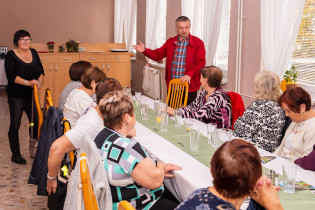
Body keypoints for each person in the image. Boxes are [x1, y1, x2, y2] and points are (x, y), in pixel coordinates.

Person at [96, 90, 182, 209]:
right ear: (127, 118)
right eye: (133, 113)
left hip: (110, 200)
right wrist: (160, 167)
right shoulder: (127, 147)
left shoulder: (101, 137)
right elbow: (155, 181)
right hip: (135, 204)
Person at [47, 78, 122, 194]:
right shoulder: (91, 123)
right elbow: (56, 148)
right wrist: (51, 178)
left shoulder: (102, 113)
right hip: (92, 177)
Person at [175, 139, 283, 210]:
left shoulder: (198, 194)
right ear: (255, 183)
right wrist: (275, 206)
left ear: (211, 170)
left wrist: (258, 204)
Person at [133, 16, 206, 105]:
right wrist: (145, 50)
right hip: (173, 86)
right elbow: (158, 55)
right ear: (176, 28)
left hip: (189, 87)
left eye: (186, 27)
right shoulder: (170, 42)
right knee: (171, 113)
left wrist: (189, 74)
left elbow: (200, 62)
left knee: (188, 115)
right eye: (181, 28)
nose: (184, 30)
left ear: (190, 26)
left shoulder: (198, 43)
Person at [5, 30, 44, 164]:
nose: (26, 42)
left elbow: (41, 72)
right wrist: (29, 82)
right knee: (15, 124)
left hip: (31, 94)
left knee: (36, 121)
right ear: (17, 41)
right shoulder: (11, 55)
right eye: (23, 39)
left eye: (28, 39)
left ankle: (35, 149)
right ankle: (15, 154)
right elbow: (11, 76)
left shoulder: (33, 52)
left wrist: (38, 80)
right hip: (16, 95)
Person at [233, 71, 285, 152]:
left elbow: (239, 132)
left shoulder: (259, 106)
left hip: (252, 151)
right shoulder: (279, 106)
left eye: (255, 85)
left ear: (260, 88)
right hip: (271, 152)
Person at [275, 87, 315, 162]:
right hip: (280, 162)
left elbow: (307, 163)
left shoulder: (312, 127)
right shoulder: (297, 119)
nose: (286, 115)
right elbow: (282, 147)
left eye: (288, 111)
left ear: (302, 108)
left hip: (294, 168)